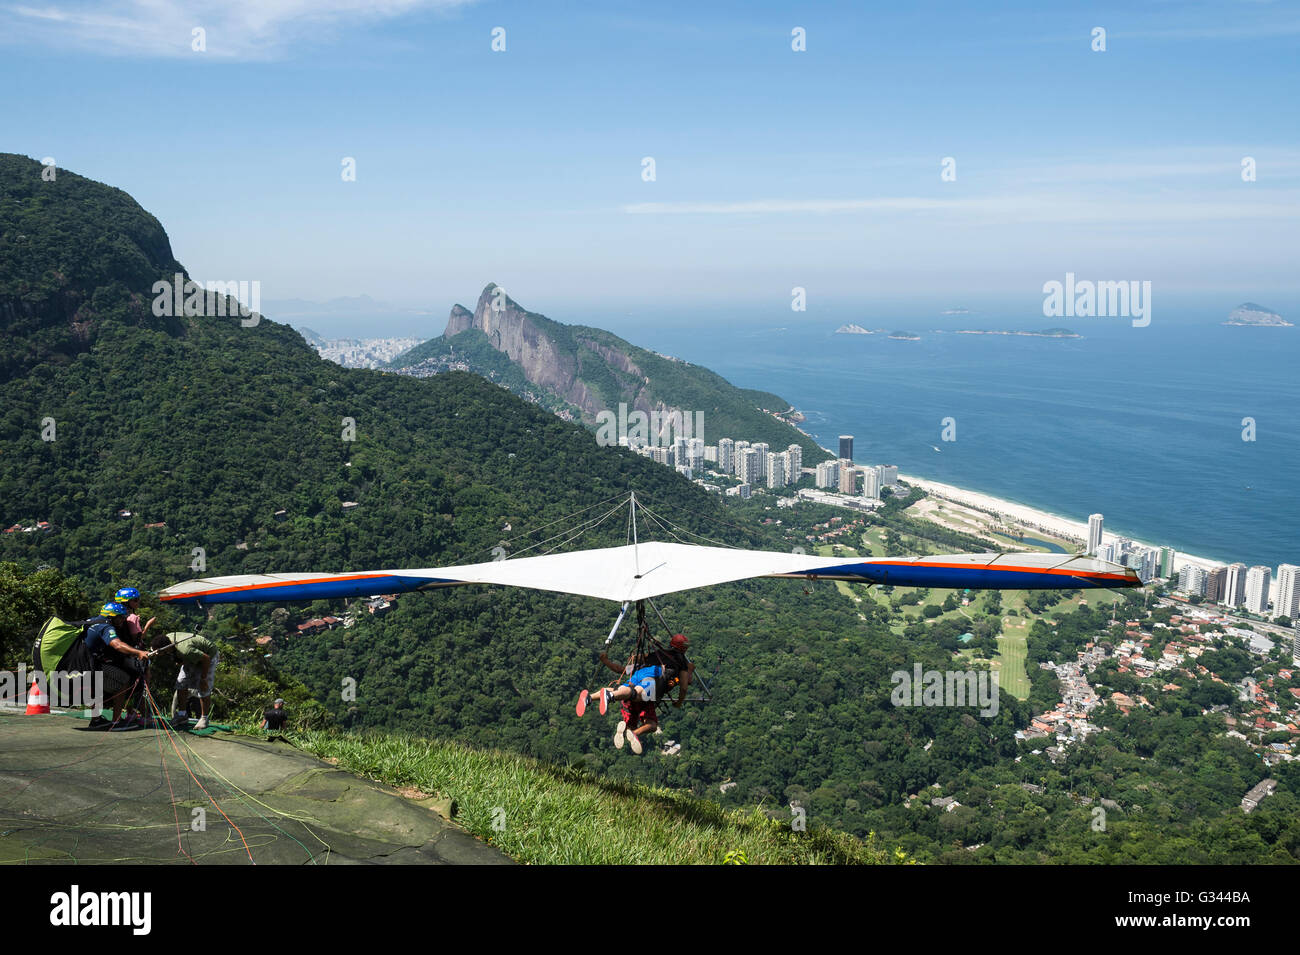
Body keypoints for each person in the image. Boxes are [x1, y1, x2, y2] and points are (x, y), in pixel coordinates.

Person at [592, 634, 695, 755]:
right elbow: (685, 685)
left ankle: (626, 728)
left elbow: (620, 669)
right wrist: (690, 671)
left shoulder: (649, 660)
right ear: (683, 648)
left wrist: (605, 661)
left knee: (632, 711)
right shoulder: (680, 663)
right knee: (652, 725)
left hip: (630, 695)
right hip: (647, 696)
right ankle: (632, 732)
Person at [83, 603, 150, 730]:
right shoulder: (106, 626)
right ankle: (116, 722)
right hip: (93, 666)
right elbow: (117, 645)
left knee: (99, 684)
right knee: (123, 680)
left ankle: (96, 720)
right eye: (120, 617)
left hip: (82, 665)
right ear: (112, 617)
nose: (123, 620)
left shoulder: (91, 621)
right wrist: (138, 652)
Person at [159, 631, 219, 730]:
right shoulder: (165, 639)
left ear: (167, 647)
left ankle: (204, 718)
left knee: (203, 687)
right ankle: (182, 715)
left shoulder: (185, 649)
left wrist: (203, 679)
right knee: (181, 683)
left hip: (209, 656)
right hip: (191, 657)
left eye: (164, 652)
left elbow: (206, 659)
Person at [114, 587, 155, 726]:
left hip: (122, 657)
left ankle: (130, 712)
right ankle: (145, 716)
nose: (138, 602)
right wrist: (148, 626)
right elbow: (137, 639)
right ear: (128, 602)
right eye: (136, 600)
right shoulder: (132, 618)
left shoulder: (117, 617)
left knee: (128, 687)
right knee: (143, 687)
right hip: (136, 656)